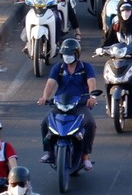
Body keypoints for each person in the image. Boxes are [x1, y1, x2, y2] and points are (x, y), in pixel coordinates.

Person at [39, 39, 100, 171]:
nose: (67, 56)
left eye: (70, 54)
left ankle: (85, 156)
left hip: (80, 105)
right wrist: (45, 97)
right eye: (65, 54)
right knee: (45, 123)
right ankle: (49, 152)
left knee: (90, 124)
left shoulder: (86, 67)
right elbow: (50, 83)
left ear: (77, 54)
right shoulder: (58, 68)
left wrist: (92, 97)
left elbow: (91, 83)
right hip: (60, 104)